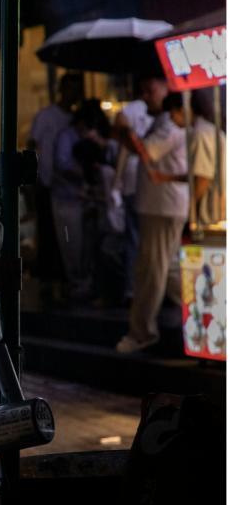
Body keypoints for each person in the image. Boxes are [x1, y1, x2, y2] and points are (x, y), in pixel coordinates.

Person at [116, 93, 189, 354]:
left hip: (162, 207)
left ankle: (142, 331)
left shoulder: (170, 125)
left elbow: (145, 150)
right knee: (167, 268)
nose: (145, 96)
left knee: (152, 269)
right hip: (161, 206)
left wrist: (124, 130)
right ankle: (207, 307)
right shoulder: (165, 123)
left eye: (150, 90)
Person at [50, 99, 116, 302]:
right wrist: (86, 172)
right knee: (71, 244)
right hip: (68, 199)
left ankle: (86, 284)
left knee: (89, 245)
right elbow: (62, 165)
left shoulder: (96, 138)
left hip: (88, 200)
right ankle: (76, 283)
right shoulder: (66, 136)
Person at [28, 73, 84, 304]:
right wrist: (35, 177)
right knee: (49, 233)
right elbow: (33, 145)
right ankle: (49, 280)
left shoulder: (74, 119)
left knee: (67, 236)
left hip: (68, 187)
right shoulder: (47, 116)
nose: (72, 94)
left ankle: (63, 280)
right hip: (47, 182)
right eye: (69, 89)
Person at [113, 76, 168, 302]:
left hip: (153, 187)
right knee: (140, 239)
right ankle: (136, 288)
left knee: (147, 241)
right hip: (141, 185)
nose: (146, 96)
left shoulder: (165, 116)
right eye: (144, 91)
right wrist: (117, 183)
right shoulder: (138, 110)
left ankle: (142, 289)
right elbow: (126, 144)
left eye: (150, 91)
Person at [189, 88, 226, 227]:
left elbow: (203, 178)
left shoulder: (202, 133)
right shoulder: (209, 130)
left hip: (211, 214)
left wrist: (189, 210)